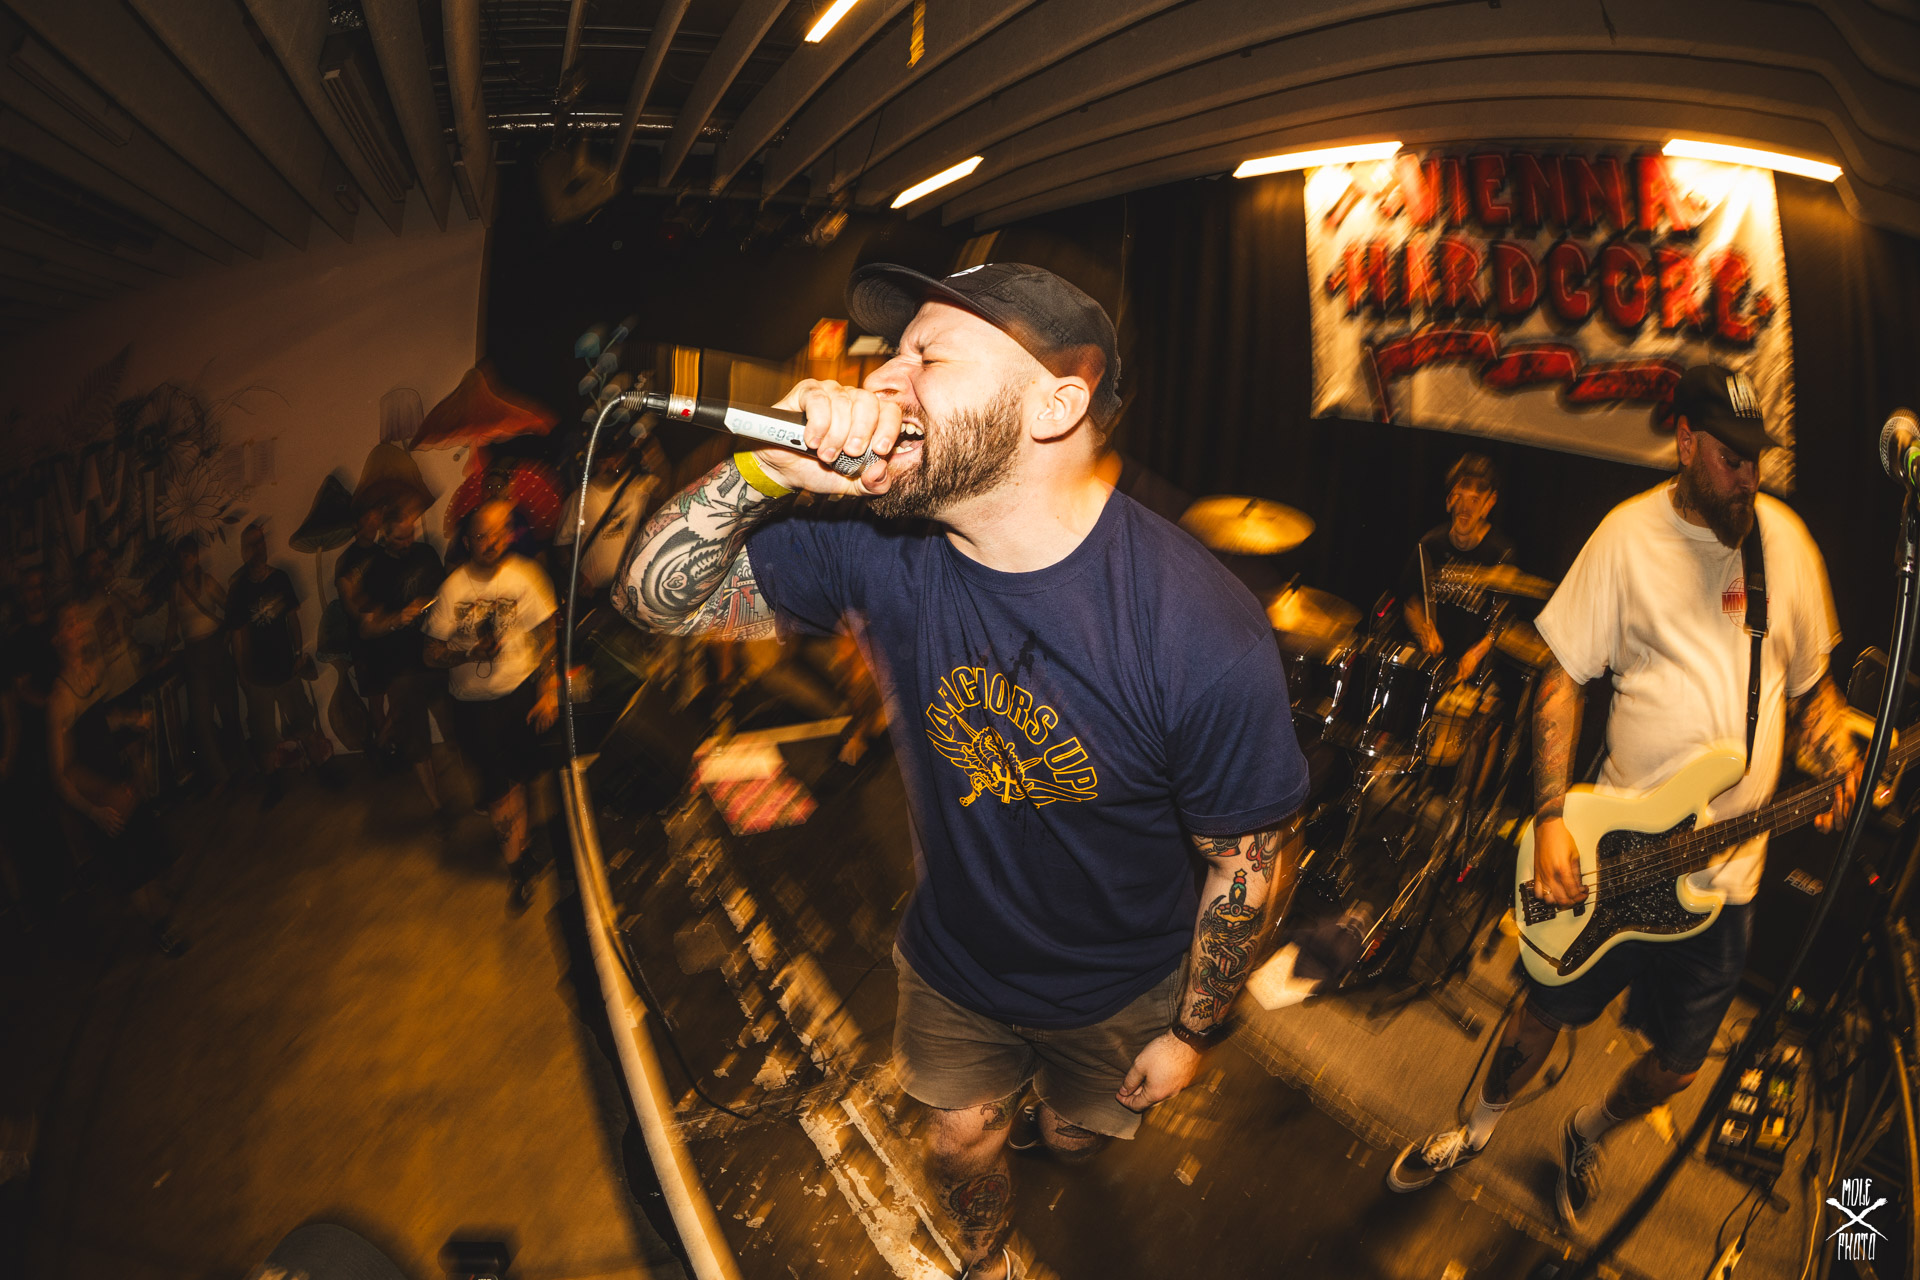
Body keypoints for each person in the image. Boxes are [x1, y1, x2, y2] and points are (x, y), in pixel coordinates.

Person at [612, 261, 1310, 1280]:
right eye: (890, 353)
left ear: (1054, 406)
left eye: (928, 356)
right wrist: (762, 473)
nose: (881, 379)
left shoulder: (1198, 630)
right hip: (957, 964)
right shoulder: (875, 543)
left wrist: (1194, 1031)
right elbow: (653, 601)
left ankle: (1061, 1122)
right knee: (961, 1142)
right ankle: (985, 1262)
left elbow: (1244, 863)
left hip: (1123, 985)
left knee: (1075, 1133)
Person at [1386, 365, 1861, 1231]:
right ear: (1684, 443)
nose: (1747, 476)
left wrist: (1837, 759)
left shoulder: (1785, 544)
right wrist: (1552, 817)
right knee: (1542, 1011)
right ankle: (1474, 1128)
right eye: (1729, 458)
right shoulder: (1626, 538)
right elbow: (1561, 678)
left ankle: (1587, 1131)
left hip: (1728, 881)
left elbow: (1815, 695)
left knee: (1679, 1066)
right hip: (1619, 852)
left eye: (1757, 459)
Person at [424, 500, 559, 911]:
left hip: (519, 696)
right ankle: (518, 870)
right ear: (468, 541)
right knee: (499, 792)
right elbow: (430, 653)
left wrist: (548, 689)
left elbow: (548, 635)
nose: (492, 542)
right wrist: (468, 654)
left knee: (523, 780)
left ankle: (525, 848)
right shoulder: (453, 589)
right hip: (473, 707)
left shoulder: (526, 575)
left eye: (499, 533)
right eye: (482, 535)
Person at [47, 602, 185, 957]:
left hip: (119, 783)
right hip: (99, 800)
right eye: (71, 623)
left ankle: (162, 913)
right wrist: (94, 813)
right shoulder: (60, 699)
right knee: (134, 873)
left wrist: (128, 719)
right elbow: (60, 774)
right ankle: (161, 929)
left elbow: (96, 724)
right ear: (58, 639)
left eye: (81, 619)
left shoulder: (91, 675)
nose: (80, 625)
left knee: (152, 856)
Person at [226, 521, 322, 807]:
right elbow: (238, 635)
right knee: (263, 734)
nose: (259, 548)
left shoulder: (280, 578)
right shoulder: (239, 589)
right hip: (258, 673)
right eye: (252, 544)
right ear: (244, 551)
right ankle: (274, 786)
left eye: (261, 542)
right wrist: (242, 674)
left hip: (285, 667)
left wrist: (299, 654)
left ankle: (323, 769)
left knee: (303, 720)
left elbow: (292, 618)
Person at [360, 494, 446, 812]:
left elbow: (446, 594)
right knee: (417, 744)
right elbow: (366, 628)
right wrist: (397, 619)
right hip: (401, 670)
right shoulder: (375, 571)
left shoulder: (426, 554)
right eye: (400, 538)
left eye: (411, 534)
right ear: (385, 535)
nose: (408, 542)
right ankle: (438, 809)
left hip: (436, 658)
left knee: (455, 728)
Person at [1400, 452, 1516, 687]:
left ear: (1489, 503)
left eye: (1474, 500)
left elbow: (1504, 624)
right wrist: (1423, 630)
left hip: (1473, 681)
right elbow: (1411, 602)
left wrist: (1477, 652)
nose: (1465, 508)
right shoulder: (1430, 545)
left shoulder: (1501, 554)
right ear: (1449, 499)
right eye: (1460, 497)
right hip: (1428, 672)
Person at [168, 536, 244, 790]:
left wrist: (228, 637)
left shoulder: (207, 581)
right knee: (201, 719)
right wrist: (165, 650)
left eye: (188, 556)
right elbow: (172, 622)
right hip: (193, 653)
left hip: (215, 648)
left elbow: (229, 608)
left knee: (229, 710)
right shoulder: (175, 588)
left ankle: (240, 766)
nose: (184, 562)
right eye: (180, 557)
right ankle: (220, 775)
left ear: (196, 557)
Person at [554, 429, 662, 596]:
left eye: (616, 459)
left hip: (626, 589)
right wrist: (577, 578)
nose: (611, 466)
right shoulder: (580, 498)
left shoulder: (637, 488)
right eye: (604, 461)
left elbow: (664, 497)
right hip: (592, 593)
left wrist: (653, 458)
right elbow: (562, 544)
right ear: (596, 463)